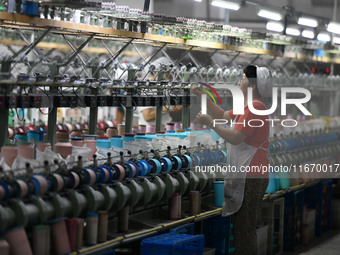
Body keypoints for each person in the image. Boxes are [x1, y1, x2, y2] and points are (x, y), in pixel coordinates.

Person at [193, 65, 271, 255]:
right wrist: (199, 94)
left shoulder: (255, 108)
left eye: (243, 79)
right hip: (250, 173)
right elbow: (222, 114)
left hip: (251, 174)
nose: (239, 82)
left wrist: (210, 124)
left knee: (245, 228)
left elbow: (236, 137)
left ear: (252, 86)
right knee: (243, 226)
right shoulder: (249, 106)